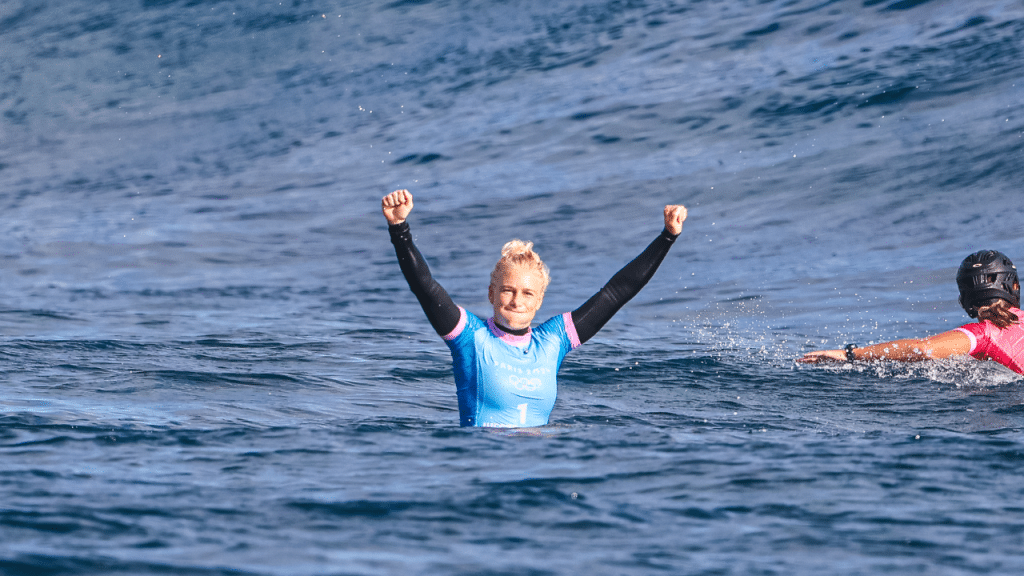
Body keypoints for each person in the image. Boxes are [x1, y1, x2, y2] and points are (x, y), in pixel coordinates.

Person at [382, 189, 687, 427]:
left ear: (539, 300)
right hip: (480, 464)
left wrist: (667, 237)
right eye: (507, 291)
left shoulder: (553, 340)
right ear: (491, 293)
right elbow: (425, 286)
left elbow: (616, 292)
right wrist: (399, 228)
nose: (517, 301)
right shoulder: (470, 338)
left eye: (527, 293)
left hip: (541, 470)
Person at [798, 250, 1024, 374]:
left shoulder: (982, 334)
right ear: (1014, 286)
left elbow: (923, 349)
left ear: (964, 298)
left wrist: (850, 354)